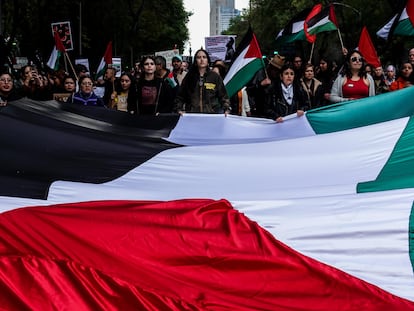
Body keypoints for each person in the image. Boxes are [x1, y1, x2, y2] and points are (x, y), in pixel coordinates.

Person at [174, 48, 230, 114]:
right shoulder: (189, 77)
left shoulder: (215, 77)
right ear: (195, 61)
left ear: (208, 60)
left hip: (211, 116)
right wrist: (178, 109)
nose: (202, 59)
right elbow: (180, 96)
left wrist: (226, 109)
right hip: (192, 117)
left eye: (204, 57)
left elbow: (223, 96)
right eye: (199, 57)